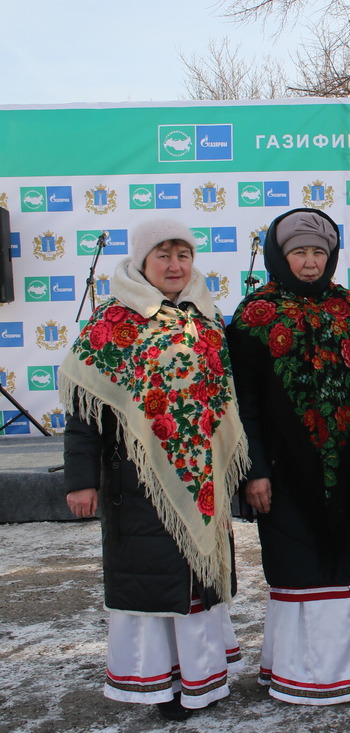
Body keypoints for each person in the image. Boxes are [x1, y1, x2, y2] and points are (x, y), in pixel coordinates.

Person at [60, 218, 248, 722]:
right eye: (163, 254)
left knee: (194, 585)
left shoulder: (206, 321)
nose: (174, 265)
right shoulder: (113, 322)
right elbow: (85, 411)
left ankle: (201, 680)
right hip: (136, 485)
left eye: (182, 254)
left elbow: (226, 406)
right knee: (152, 586)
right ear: (143, 261)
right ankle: (155, 684)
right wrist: (80, 480)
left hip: (202, 483)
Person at [227, 208, 350, 705]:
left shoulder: (348, 306)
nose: (309, 261)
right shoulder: (256, 315)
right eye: (299, 252)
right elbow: (242, 403)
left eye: (319, 252)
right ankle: (312, 673)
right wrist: (253, 471)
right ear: (280, 255)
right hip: (284, 472)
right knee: (302, 564)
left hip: (349, 469)